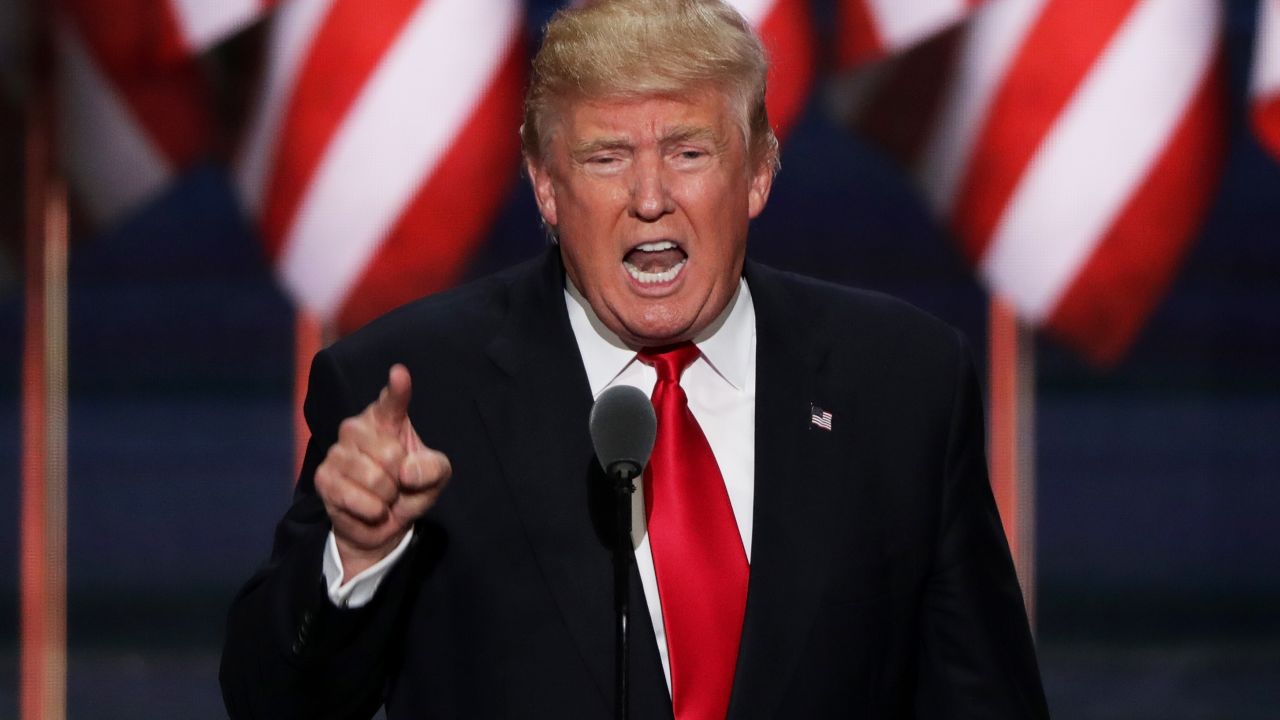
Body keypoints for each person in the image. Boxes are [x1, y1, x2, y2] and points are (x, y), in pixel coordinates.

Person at [220, 1, 1050, 717]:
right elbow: (271, 702)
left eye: (689, 152)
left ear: (758, 173)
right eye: (607, 157)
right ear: (546, 187)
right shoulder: (417, 394)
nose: (650, 197)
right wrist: (357, 558)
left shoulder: (901, 386)